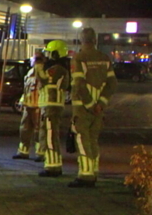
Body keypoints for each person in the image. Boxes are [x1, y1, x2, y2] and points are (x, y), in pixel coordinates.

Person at [69, 27, 117, 187]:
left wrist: (90, 105)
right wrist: (101, 103)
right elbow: (112, 83)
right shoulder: (104, 58)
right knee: (93, 139)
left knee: (82, 139)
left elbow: (79, 85)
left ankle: (86, 175)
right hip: (99, 108)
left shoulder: (79, 58)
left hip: (83, 107)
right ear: (95, 40)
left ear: (81, 40)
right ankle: (94, 170)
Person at [35, 40, 71, 177]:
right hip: (51, 105)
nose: (47, 55)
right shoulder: (62, 68)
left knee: (51, 136)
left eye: (49, 52)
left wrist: (38, 67)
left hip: (51, 105)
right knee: (49, 134)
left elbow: (44, 80)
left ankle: (53, 167)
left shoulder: (56, 69)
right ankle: (51, 164)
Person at [11, 60, 41, 161]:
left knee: (39, 131)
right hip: (28, 106)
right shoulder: (30, 73)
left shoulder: (43, 72)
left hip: (38, 106)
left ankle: (40, 153)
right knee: (24, 129)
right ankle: (23, 152)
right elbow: (26, 90)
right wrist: (22, 101)